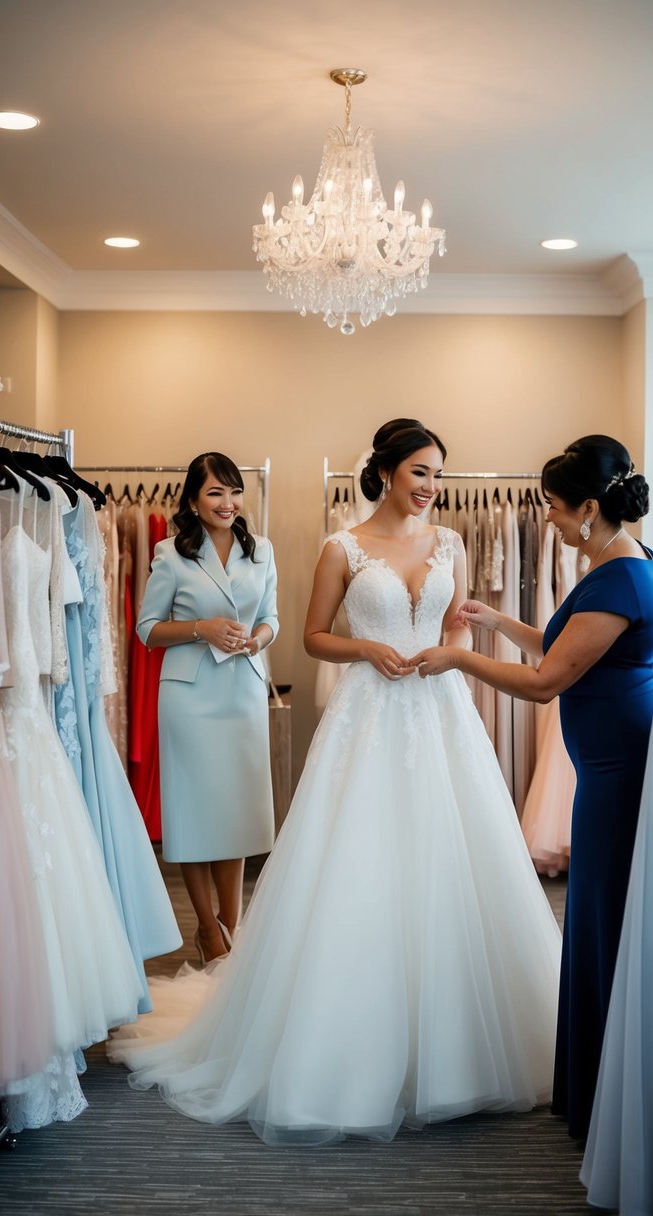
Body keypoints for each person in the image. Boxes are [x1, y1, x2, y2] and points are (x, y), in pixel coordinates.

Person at [109, 419, 561, 1146]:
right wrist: (366, 649)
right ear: (384, 472)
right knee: (361, 860)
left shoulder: (448, 542)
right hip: (371, 713)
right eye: (419, 473)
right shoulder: (341, 547)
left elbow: (458, 625)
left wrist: (450, 652)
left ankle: (467, 1044)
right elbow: (313, 635)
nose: (430, 488)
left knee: (453, 859)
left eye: (437, 475)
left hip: (441, 711)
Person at [413, 434, 653, 1141]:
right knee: (593, 917)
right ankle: (598, 1087)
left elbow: (546, 682)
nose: (547, 520)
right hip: (607, 765)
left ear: (588, 508)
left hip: (618, 773)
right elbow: (560, 645)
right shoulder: (612, 564)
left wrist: (460, 658)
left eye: (553, 508)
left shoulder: (618, 578)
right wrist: (494, 624)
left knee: (600, 920)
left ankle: (609, 1097)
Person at [137, 452, 278, 964]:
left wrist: (257, 640)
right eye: (215, 493)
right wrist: (203, 629)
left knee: (237, 811)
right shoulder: (170, 554)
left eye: (234, 491)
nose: (228, 502)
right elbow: (147, 629)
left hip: (242, 692)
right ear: (193, 501)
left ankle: (231, 922)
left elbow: (272, 618)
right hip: (190, 698)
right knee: (194, 814)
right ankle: (207, 929)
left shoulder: (261, 550)